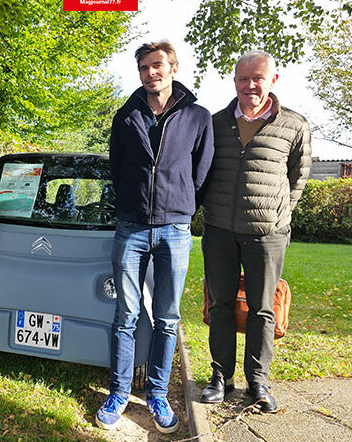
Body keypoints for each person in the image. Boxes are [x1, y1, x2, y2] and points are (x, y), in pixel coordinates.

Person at [96, 41, 214, 433]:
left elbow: (203, 170)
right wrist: (132, 202)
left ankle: (157, 395)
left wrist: (183, 206)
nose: (151, 73)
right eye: (144, 67)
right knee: (125, 315)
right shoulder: (125, 115)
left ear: (174, 68)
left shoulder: (197, 116)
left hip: (175, 231)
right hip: (130, 228)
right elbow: (118, 168)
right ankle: (118, 392)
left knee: (166, 317)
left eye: (158, 65)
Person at [200, 50, 311, 412]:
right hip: (218, 229)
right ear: (234, 81)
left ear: (272, 80)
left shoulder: (294, 125)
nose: (250, 85)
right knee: (220, 305)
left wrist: (280, 214)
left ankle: (258, 382)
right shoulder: (215, 123)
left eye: (258, 77)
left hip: (267, 234)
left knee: (262, 309)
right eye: (243, 78)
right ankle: (220, 377)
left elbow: (299, 176)